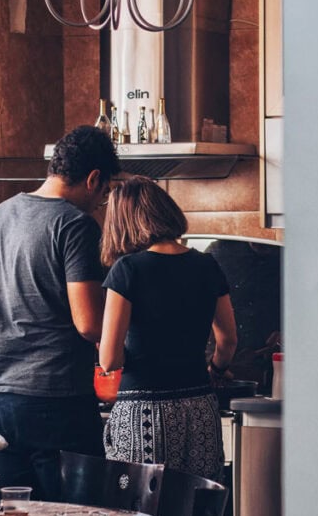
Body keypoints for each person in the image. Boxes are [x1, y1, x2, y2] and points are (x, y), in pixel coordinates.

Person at [0, 125, 119, 501]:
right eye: (104, 193)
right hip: (53, 400)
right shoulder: (75, 225)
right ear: (93, 179)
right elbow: (89, 324)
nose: (100, 203)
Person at [99, 176, 237, 481]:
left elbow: (109, 360)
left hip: (143, 413)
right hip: (200, 407)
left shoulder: (128, 269)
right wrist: (215, 369)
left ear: (123, 222)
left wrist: (114, 348)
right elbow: (227, 340)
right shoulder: (207, 265)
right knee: (198, 510)